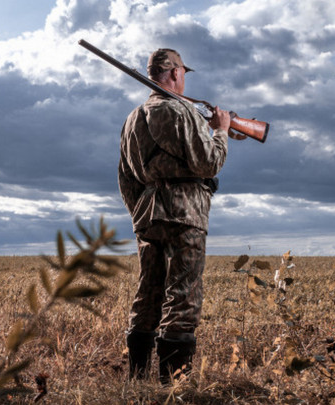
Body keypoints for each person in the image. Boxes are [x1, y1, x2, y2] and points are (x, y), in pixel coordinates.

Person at [118, 48, 231, 383]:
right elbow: (208, 163)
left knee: (148, 293)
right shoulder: (183, 110)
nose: (184, 77)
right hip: (186, 213)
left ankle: (137, 381)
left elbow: (126, 178)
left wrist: (140, 215)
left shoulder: (132, 118)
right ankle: (172, 388)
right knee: (183, 295)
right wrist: (222, 131)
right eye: (183, 71)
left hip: (147, 215)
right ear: (174, 73)